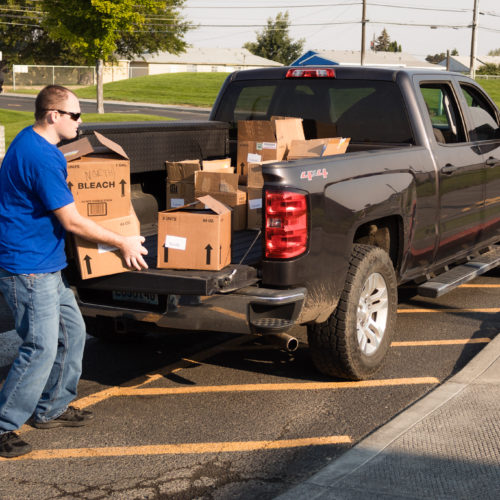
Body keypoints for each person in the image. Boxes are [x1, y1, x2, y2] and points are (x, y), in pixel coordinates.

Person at [0, 85, 148, 458]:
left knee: (74, 333)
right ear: (54, 115)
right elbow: (72, 221)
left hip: (47, 264)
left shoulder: (32, 142)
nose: (81, 123)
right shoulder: (41, 158)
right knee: (40, 348)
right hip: (29, 268)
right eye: (75, 115)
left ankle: (52, 407)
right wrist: (123, 242)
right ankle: (4, 424)